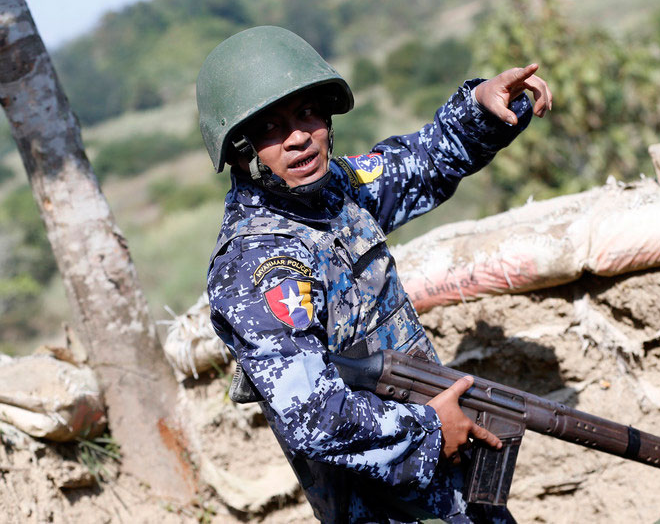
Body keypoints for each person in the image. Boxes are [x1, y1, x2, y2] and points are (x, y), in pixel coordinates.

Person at [197, 26, 551, 523]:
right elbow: (315, 417)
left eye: (306, 114)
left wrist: (481, 108)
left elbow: (422, 164)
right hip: (385, 505)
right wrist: (431, 430)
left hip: (450, 482)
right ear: (239, 149)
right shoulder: (256, 264)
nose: (299, 137)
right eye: (272, 128)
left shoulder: (335, 190)